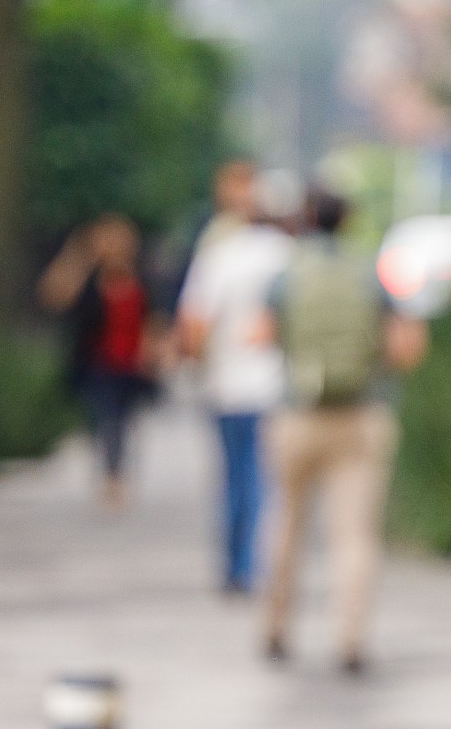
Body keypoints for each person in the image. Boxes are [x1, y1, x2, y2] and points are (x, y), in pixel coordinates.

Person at [257, 190, 427, 675]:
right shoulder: (369, 273)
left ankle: (275, 629)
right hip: (360, 417)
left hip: (296, 415)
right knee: (354, 535)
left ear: (305, 219)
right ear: (346, 220)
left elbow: (259, 335)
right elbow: (406, 348)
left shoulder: (285, 275)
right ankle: (350, 638)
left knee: (285, 524)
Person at [176, 163, 293, 596]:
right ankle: (253, 560)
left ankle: (235, 563)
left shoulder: (218, 254)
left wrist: (195, 364)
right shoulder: (286, 254)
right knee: (260, 478)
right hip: (275, 385)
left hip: (226, 384)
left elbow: (194, 323)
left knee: (231, 476)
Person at [38, 213, 153, 511]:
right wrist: (79, 255)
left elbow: (152, 319)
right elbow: (54, 295)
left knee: (123, 421)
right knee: (106, 419)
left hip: (131, 365)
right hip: (98, 364)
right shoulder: (88, 281)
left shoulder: (141, 277)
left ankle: (117, 472)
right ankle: (112, 476)